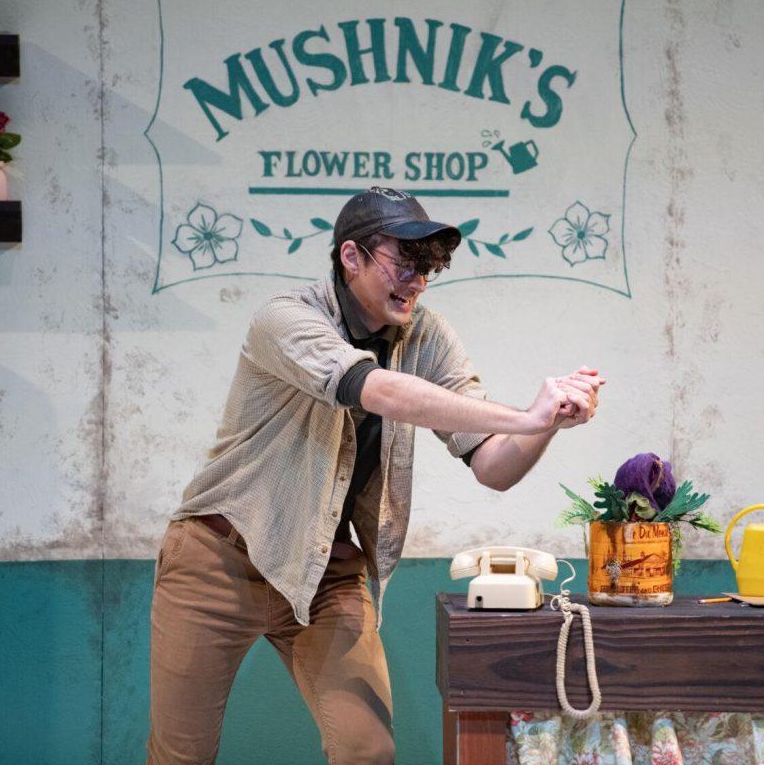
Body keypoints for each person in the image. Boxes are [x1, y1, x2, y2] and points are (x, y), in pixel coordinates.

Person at [147, 186, 605, 764]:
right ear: (350, 256)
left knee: (368, 751)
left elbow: (493, 465)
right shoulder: (286, 319)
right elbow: (379, 390)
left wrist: (548, 424)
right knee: (179, 756)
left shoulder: (427, 336)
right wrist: (524, 413)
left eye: (427, 269)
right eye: (404, 263)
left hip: (327, 571)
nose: (416, 281)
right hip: (217, 562)